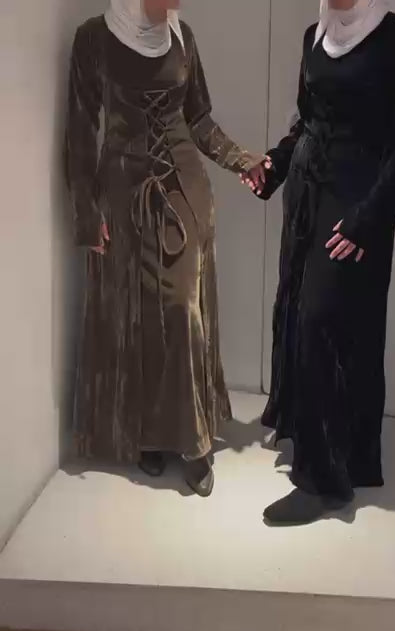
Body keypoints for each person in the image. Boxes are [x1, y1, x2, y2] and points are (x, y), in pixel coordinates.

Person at [65, 0, 268, 497]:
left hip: (184, 189)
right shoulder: (93, 38)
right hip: (124, 195)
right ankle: (149, 435)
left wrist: (240, 159)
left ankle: (193, 442)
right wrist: (88, 213)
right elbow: (80, 128)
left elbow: (198, 119)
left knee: (181, 309)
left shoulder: (182, 36)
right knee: (138, 317)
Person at [243, 0, 395, 524]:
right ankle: (324, 446)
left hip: (357, 204)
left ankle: (323, 480)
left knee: (325, 321)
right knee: (301, 316)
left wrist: (370, 220)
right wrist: (275, 164)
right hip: (308, 196)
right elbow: (307, 121)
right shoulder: (315, 34)